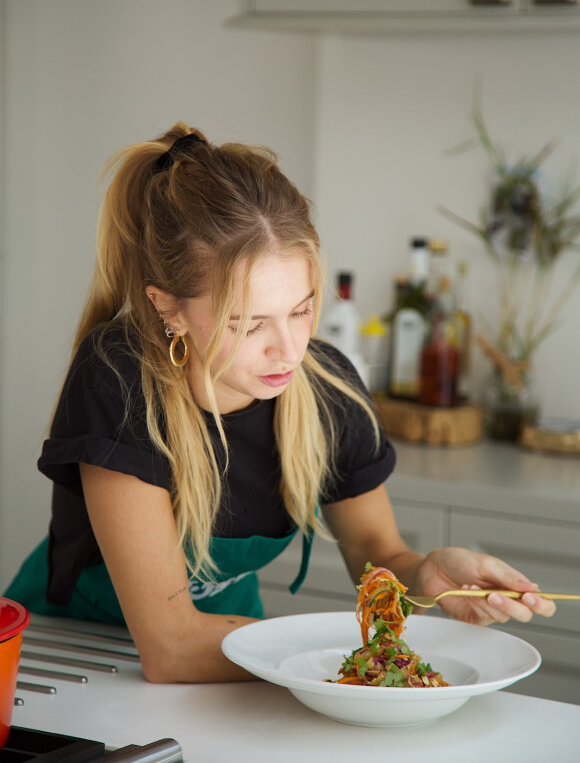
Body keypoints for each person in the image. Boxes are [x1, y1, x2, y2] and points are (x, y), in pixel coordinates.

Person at [4, 124, 555, 683]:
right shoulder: (119, 380)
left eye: (300, 310)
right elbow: (169, 646)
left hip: (240, 650)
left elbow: (375, 550)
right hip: (76, 655)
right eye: (248, 325)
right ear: (167, 308)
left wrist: (427, 577)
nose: (290, 351)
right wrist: (330, 660)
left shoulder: (327, 387)